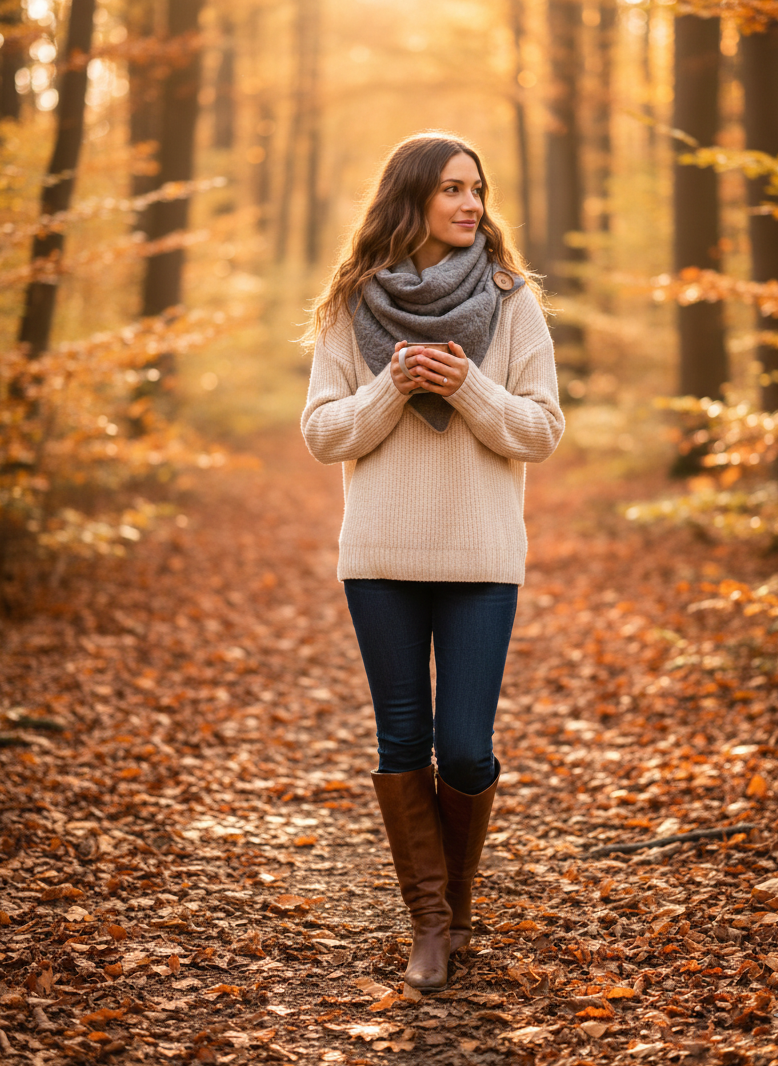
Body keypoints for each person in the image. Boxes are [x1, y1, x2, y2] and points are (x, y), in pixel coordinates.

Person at [301, 132, 564, 991]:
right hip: (380, 556)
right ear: (409, 198)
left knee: (467, 749)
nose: (470, 205)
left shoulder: (511, 299)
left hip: (482, 557)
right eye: (451, 189)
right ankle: (431, 924)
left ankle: (453, 902)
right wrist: (393, 385)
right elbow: (321, 433)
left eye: (477, 189)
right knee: (403, 740)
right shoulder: (351, 304)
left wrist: (465, 386)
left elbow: (542, 429)